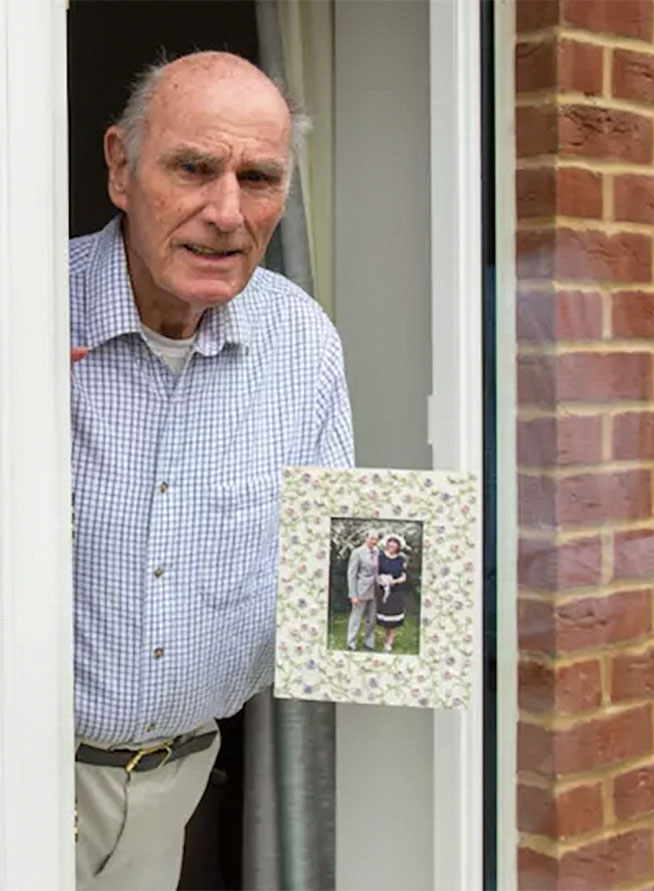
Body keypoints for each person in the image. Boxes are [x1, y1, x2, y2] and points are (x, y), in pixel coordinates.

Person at [69, 51, 353, 891]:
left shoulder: (301, 340)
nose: (227, 212)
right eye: (193, 168)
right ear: (121, 167)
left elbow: (334, 566)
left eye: (258, 178)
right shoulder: (24, 308)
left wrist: (408, 614)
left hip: (178, 782)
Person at [345, 530, 379, 650]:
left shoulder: (377, 552)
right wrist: (353, 594)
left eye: (376, 539)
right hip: (361, 591)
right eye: (372, 538)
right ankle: (351, 643)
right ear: (366, 538)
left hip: (375, 590)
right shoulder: (357, 552)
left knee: (372, 619)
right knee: (356, 618)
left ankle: (369, 643)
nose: (374, 541)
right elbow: (352, 574)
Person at [376, 535, 408, 653]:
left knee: (393, 620)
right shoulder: (380, 557)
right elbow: (375, 572)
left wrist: (393, 582)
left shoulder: (401, 559)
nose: (392, 545)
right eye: (391, 542)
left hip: (395, 592)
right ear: (387, 543)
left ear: (398, 546)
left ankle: (389, 642)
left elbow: (404, 577)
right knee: (385, 618)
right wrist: (380, 581)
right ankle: (385, 637)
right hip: (383, 591)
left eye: (395, 543)